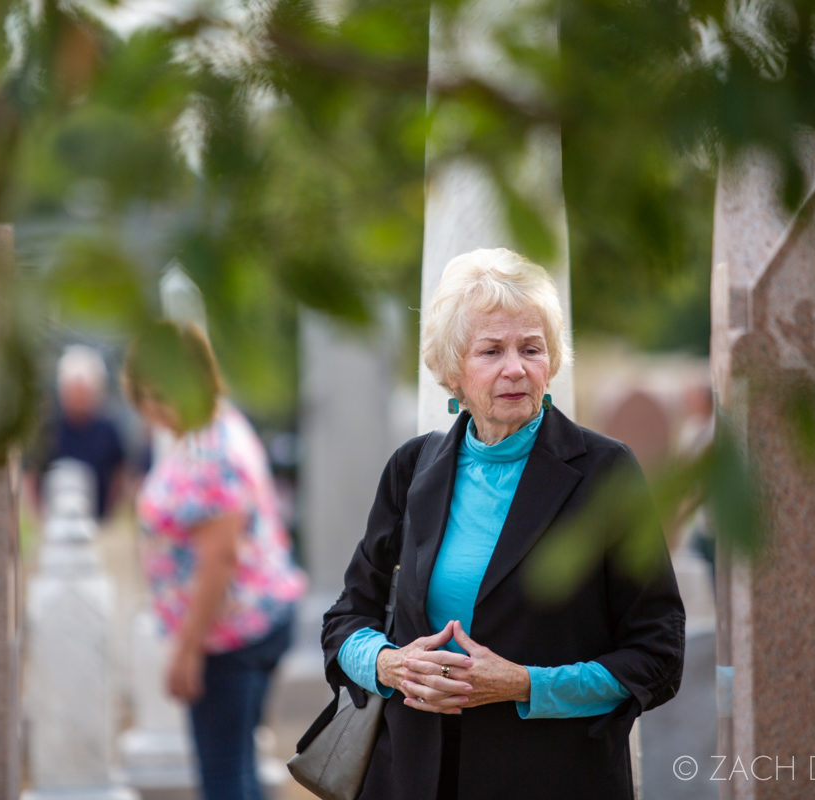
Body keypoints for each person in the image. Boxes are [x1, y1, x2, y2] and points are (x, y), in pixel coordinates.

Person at [322, 248, 685, 800]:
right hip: (408, 777)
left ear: (552, 360)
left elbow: (657, 657)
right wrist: (390, 665)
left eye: (531, 348)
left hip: (552, 779)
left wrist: (525, 685)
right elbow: (347, 618)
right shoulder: (412, 467)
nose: (515, 368)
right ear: (453, 372)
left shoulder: (606, 472)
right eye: (491, 350)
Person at [123, 321, 307, 800]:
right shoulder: (218, 425)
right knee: (238, 766)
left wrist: (187, 648)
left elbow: (220, 557)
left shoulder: (208, 450)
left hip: (228, 633)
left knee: (224, 779)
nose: (150, 411)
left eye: (153, 395)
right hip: (254, 619)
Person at [26, 344, 129, 522]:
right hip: (53, 521)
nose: (78, 400)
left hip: (97, 521)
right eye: (73, 392)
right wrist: (37, 516)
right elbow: (30, 473)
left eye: (83, 394)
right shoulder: (48, 427)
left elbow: (119, 474)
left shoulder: (108, 429)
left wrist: (111, 516)